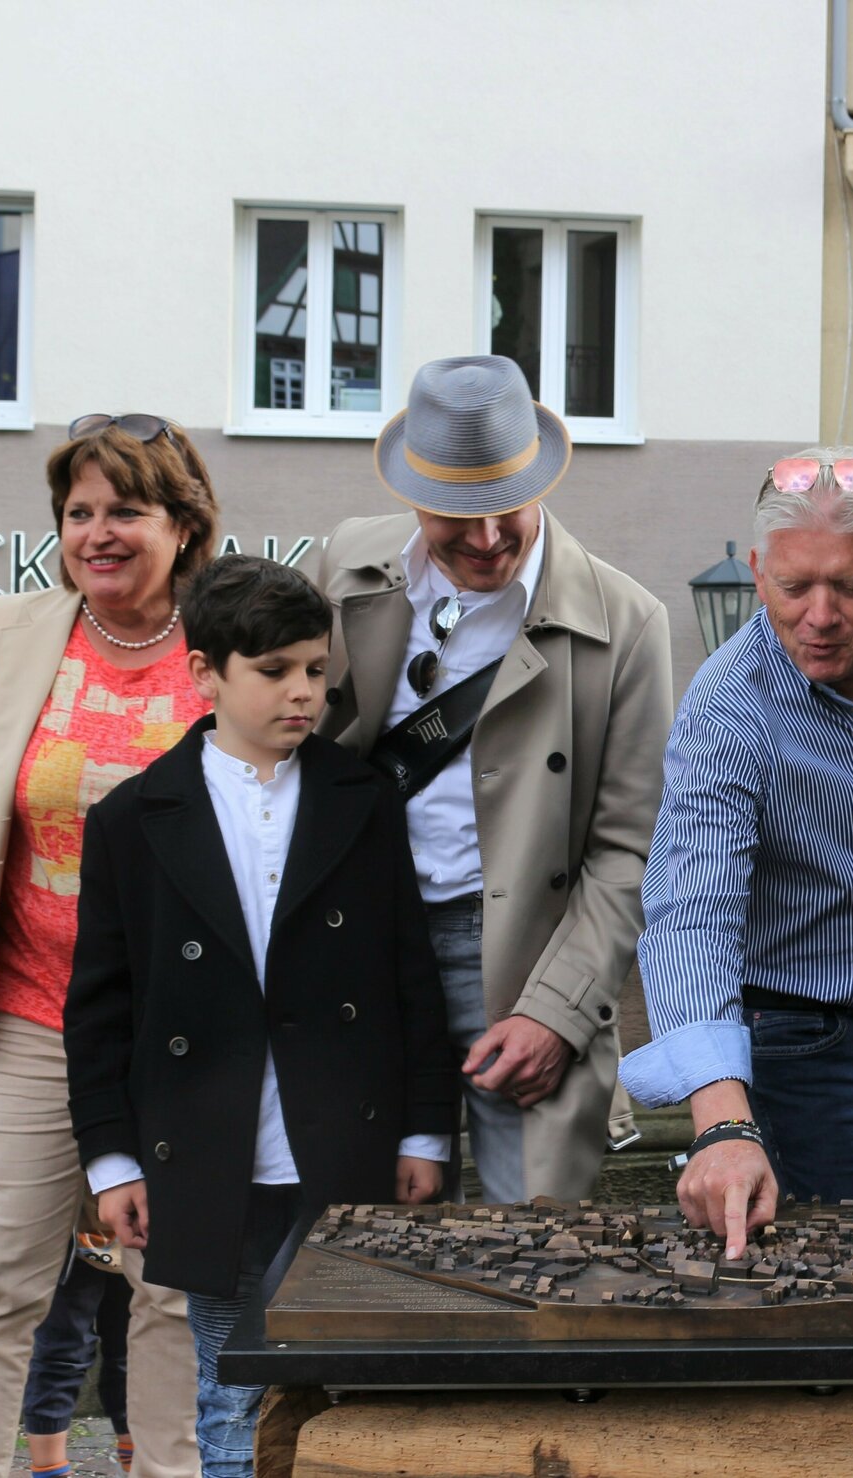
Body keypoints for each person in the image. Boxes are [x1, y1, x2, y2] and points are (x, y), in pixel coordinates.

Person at [63, 555, 455, 1477]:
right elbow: (100, 1008)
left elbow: (411, 980)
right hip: (210, 1158)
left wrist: (428, 1133)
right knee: (231, 1395)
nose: (303, 693)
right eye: (273, 671)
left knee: (362, 1389)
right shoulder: (132, 817)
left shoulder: (363, 800)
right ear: (204, 673)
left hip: (346, 1147)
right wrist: (114, 1160)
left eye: (315, 671)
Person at [0, 412, 215, 1478]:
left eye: (127, 509)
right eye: (79, 512)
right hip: (31, 1017)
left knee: (170, 1288)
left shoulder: (234, 636)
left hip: (183, 1035)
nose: (99, 532)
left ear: (183, 521)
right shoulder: (4, 630)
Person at [620, 448, 853, 1260]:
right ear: (758, 575)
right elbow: (691, 913)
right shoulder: (728, 708)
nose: (819, 615)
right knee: (838, 1289)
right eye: (795, 586)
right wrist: (724, 1122)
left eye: (849, 585)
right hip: (802, 1051)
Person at [309, 355, 673, 1204]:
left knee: (531, 1251)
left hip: (522, 961)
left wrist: (558, 1008)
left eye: (504, 510)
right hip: (367, 947)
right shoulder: (345, 568)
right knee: (359, 1246)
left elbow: (630, 852)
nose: (484, 540)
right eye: (455, 516)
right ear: (413, 496)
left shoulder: (627, 622)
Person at [19, 1206, 133, 1478]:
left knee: (134, 1352)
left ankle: (135, 1463)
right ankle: (50, 1470)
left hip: (136, 1219)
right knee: (62, 1351)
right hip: (69, 1215)